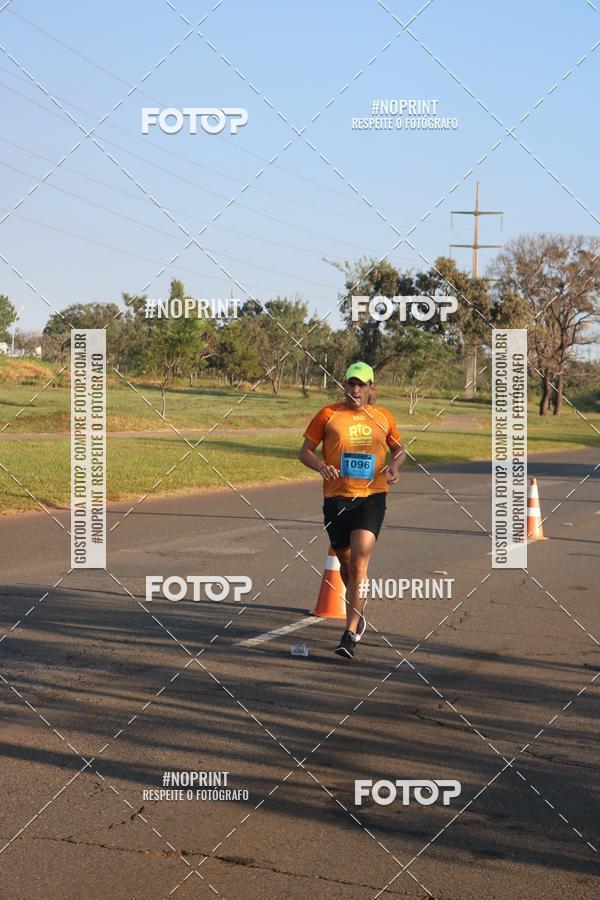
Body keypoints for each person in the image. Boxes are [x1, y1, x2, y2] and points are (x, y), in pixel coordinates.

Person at [299, 362, 405, 659]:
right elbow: (304, 451)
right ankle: (357, 609)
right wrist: (320, 466)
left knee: (359, 565)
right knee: (346, 566)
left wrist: (394, 467)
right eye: (351, 383)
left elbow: (399, 449)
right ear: (345, 385)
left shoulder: (383, 417)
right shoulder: (328, 415)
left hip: (372, 496)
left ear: (371, 388)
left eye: (362, 384)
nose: (355, 389)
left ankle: (349, 634)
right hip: (336, 499)